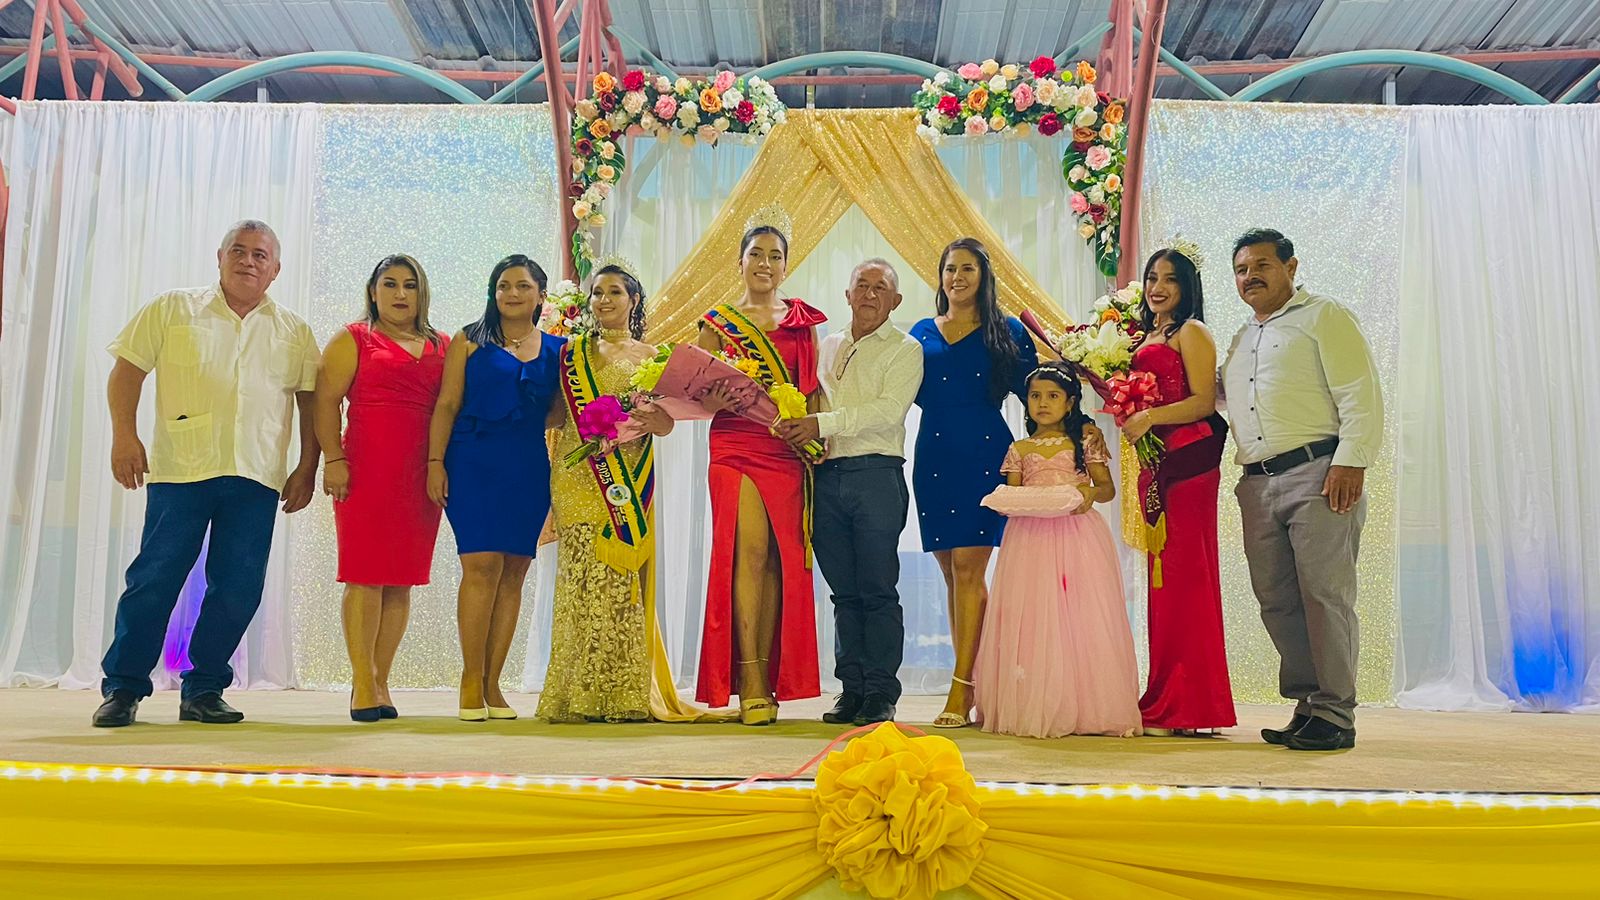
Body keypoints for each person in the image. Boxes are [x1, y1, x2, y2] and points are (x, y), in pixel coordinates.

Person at [94, 220, 320, 728]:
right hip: (181, 469)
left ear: (276, 269)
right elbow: (127, 371)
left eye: (260, 255)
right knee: (154, 580)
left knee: (237, 588)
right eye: (238, 251)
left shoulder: (294, 331)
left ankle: (204, 689)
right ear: (219, 258)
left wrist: (307, 465)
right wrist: (124, 436)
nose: (248, 261)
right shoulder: (172, 308)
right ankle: (124, 687)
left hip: (256, 475)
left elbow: (310, 404)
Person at [539, 263, 733, 724]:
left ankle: (621, 692)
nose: (604, 300)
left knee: (620, 580)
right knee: (580, 577)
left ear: (634, 300)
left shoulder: (654, 357)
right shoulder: (570, 354)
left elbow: (666, 424)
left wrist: (654, 421)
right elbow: (555, 414)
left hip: (628, 479)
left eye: (615, 292)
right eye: (597, 293)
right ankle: (578, 693)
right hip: (577, 475)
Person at [1222, 228, 1383, 751]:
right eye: (1242, 270)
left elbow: (1359, 391)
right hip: (1256, 482)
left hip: (1318, 473)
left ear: (1291, 268)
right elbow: (1222, 398)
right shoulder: (1242, 338)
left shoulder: (1323, 316)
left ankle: (1336, 714)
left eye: (1262, 266)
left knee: (1324, 595)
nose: (1251, 277)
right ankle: (1309, 704)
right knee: (1277, 600)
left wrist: (1351, 461)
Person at [777, 259, 923, 727]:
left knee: (877, 589)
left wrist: (820, 424)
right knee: (843, 592)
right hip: (828, 477)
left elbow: (887, 411)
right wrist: (808, 433)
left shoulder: (906, 349)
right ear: (847, 294)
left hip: (877, 474)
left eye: (881, 287)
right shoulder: (829, 344)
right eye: (862, 284)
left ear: (895, 301)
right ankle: (852, 689)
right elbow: (814, 400)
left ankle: (880, 692)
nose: (870, 294)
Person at [694, 209, 825, 725]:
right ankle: (748, 678)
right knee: (746, 554)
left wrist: (818, 439)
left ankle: (768, 676)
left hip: (785, 448)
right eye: (756, 254)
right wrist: (713, 399)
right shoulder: (717, 323)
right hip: (735, 445)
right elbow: (695, 393)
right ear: (740, 261)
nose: (765, 263)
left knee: (776, 560)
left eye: (775, 256)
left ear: (786, 265)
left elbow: (812, 390)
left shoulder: (801, 322)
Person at [427, 254, 564, 722]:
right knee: (481, 564)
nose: (511, 293)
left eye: (522, 285)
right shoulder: (469, 339)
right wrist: (435, 462)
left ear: (540, 295)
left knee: (514, 573)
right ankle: (470, 680)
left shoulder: (559, 349)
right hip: (471, 461)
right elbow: (447, 404)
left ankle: (493, 683)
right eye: (503, 285)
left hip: (527, 466)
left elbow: (559, 411)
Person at [971, 362, 1140, 738]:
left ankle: (1084, 702)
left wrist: (1087, 494)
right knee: (1032, 612)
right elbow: (1012, 493)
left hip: (1076, 534)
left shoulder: (1084, 442)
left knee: (1076, 613)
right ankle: (1034, 699)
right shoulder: (1019, 448)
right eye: (1035, 396)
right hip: (1028, 538)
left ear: (1070, 403)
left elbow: (1107, 489)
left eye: (1052, 396)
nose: (1043, 403)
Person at [910, 237, 1039, 728]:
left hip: (985, 454)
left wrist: (1068, 440)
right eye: (950, 269)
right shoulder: (921, 332)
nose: (957, 277)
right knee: (951, 572)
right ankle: (972, 676)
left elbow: (1036, 395)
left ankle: (960, 691)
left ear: (984, 276)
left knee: (968, 568)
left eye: (967, 268)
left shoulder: (1007, 331)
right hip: (932, 455)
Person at [314, 254, 449, 722]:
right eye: (389, 284)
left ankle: (381, 677)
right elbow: (325, 402)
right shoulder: (353, 338)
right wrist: (333, 459)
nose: (399, 294)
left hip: (420, 476)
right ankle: (361, 681)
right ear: (373, 291)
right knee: (365, 574)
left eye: (409, 285)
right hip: (365, 471)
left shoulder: (443, 344)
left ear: (421, 293)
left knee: (401, 579)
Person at [1120, 245, 1236, 736]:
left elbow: (1203, 402)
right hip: (1157, 463)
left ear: (1187, 287)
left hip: (1188, 462)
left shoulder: (1193, 331)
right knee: (1163, 583)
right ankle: (1169, 695)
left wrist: (1149, 416)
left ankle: (1191, 705)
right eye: (1152, 277)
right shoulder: (1143, 335)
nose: (1158, 287)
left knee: (1187, 578)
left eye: (1170, 278)